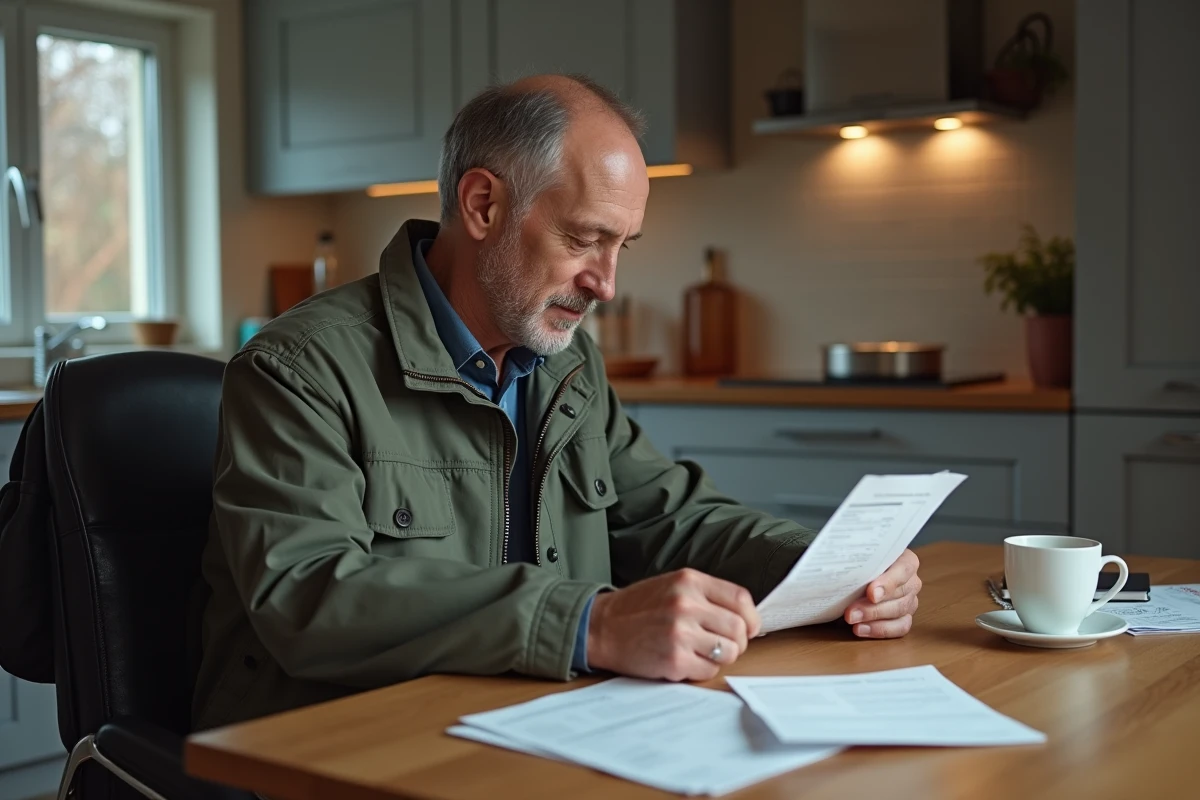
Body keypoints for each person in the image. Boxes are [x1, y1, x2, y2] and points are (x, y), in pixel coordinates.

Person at [191, 75, 922, 731]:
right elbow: (307, 592)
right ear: (483, 205)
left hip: (530, 728)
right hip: (343, 749)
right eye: (584, 239)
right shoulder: (299, 367)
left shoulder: (565, 363)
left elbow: (666, 515)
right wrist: (592, 623)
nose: (605, 284)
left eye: (622, 247)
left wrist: (824, 569)